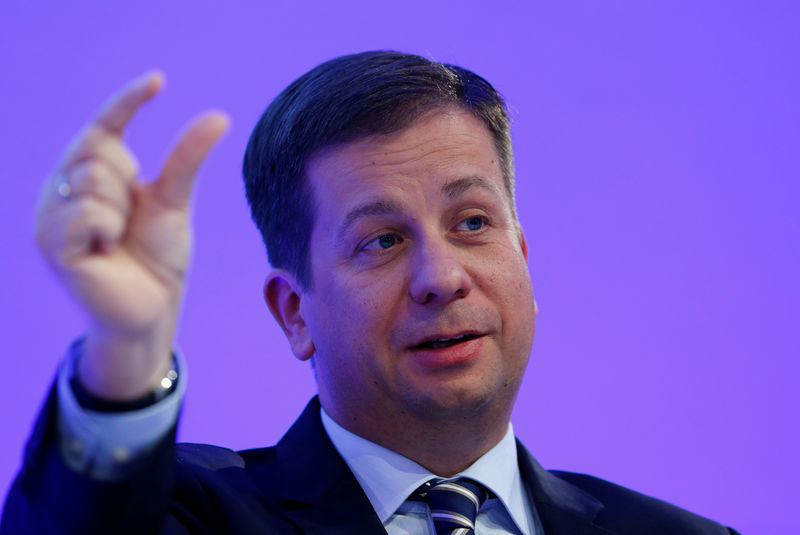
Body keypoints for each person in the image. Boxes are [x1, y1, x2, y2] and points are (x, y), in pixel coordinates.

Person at [2, 51, 738, 534]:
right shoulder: (191, 512)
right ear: (296, 313)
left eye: (473, 222)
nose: (442, 276)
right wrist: (128, 348)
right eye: (381, 240)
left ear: (521, 253)